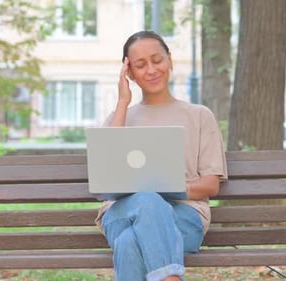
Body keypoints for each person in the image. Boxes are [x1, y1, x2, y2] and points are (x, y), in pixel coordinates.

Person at [94, 30, 227, 281]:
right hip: (122, 213)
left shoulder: (199, 116)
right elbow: (106, 178)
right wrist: (122, 102)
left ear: (170, 60)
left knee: (129, 242)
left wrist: (165, 189)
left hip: (185, 216)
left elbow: (210, 184)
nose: (152, 70)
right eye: (140, 65)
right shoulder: (118, 118)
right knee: (146, 200)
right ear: (129, 73)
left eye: (157, 60)